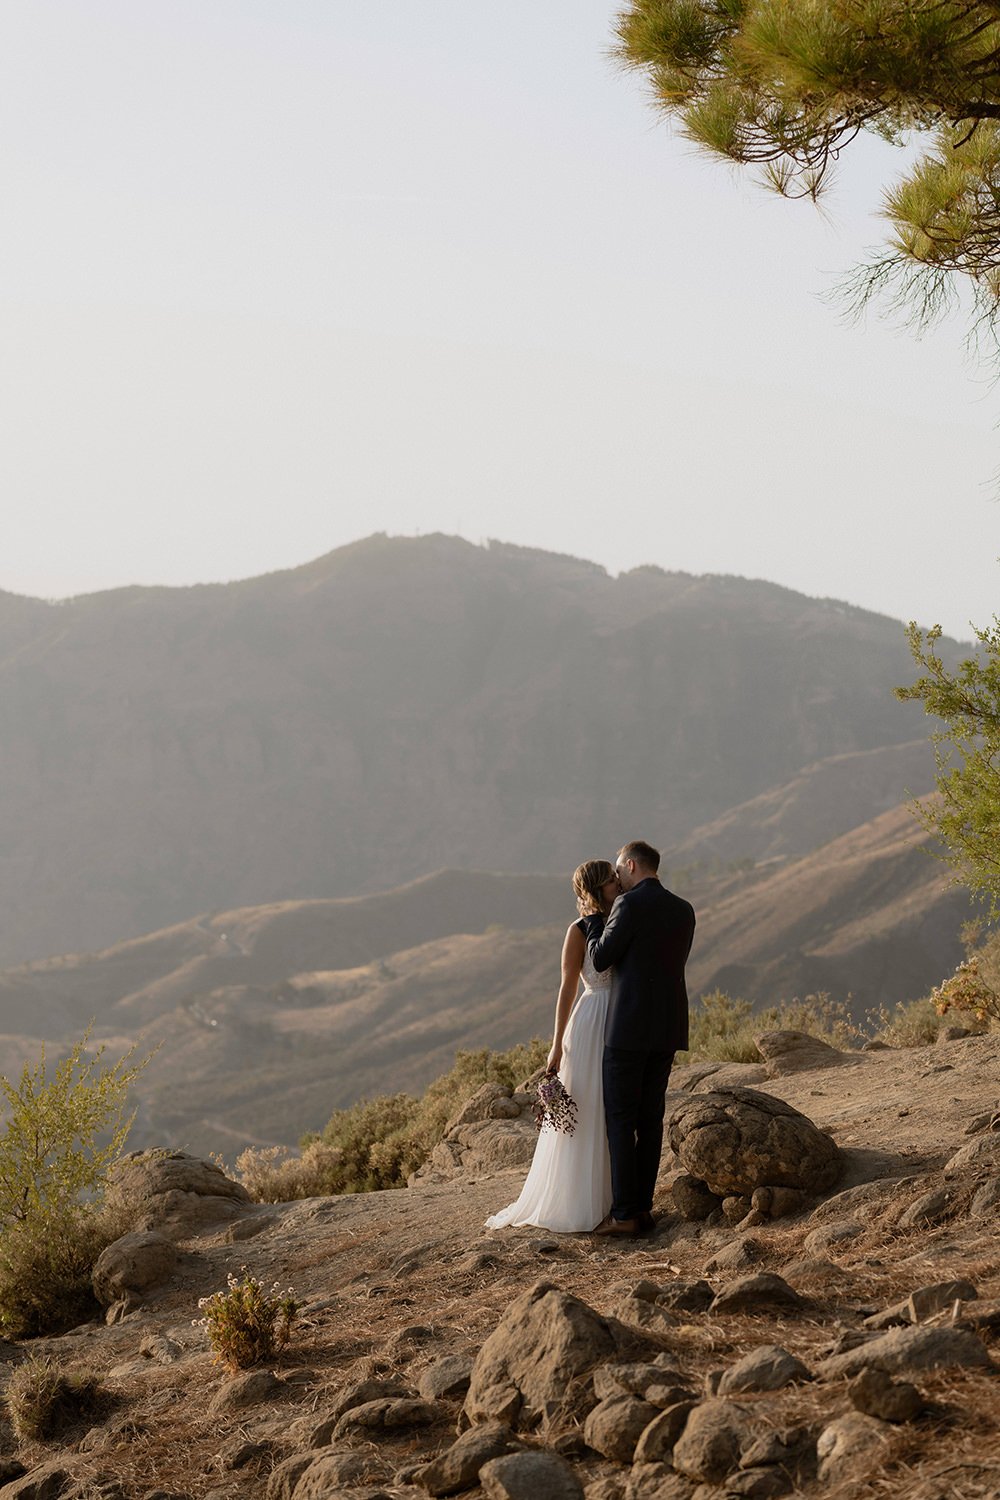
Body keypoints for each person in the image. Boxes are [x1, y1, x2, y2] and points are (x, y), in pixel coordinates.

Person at [485, 859, 620, 1233]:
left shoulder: (622, 921)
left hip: (622, 1017)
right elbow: (567, 988)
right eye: (611, 880)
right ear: (595, 889)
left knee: (613, 1109)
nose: (617, 884)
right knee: (586, 1106)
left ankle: (614, 1199)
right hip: (591, 1019)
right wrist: (556, 1045)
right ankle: (578, 1201)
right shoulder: (577, 931)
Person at [581, 839, 695, 1237]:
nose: (617, 878)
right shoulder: (684, 910)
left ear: (630, 865)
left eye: (618, 870)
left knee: (620, 1121)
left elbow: (599, 958)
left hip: (627, 1029)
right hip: (667, 1029)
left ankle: (626, 1214)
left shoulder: (627, 906)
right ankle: (644, 1210)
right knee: (650, 1120)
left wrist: (596, 919)